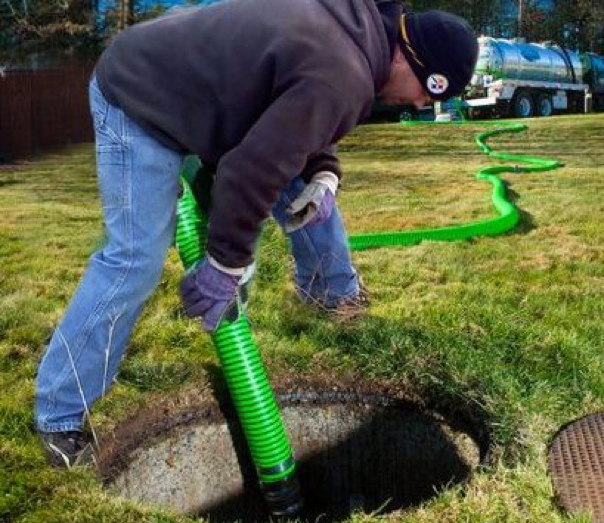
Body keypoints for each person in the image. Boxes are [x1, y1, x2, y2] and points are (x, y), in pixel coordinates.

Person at [34, 0, 478, 469]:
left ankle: (331, 297)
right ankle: (60, 412)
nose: (417, 105)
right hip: (141, 97)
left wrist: (324, 171)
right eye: (426, 95)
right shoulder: (345, 72)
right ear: (409, 60)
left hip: (202, 95)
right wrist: (225, 267)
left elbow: (297, 109)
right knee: (135, 260)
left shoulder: (357, 29)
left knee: (305, 185)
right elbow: (248, 173)